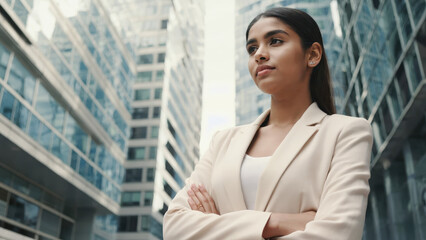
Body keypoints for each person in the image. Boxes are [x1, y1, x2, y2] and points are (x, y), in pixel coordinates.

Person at [163, 7, 372, 240]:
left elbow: (338, 234)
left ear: (312, 54)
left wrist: (217, 224)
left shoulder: (346, 132)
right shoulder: (222, 141)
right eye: (252, 48)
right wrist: (278, 222)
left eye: (275, 41)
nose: (259, 54)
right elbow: (174, 226)